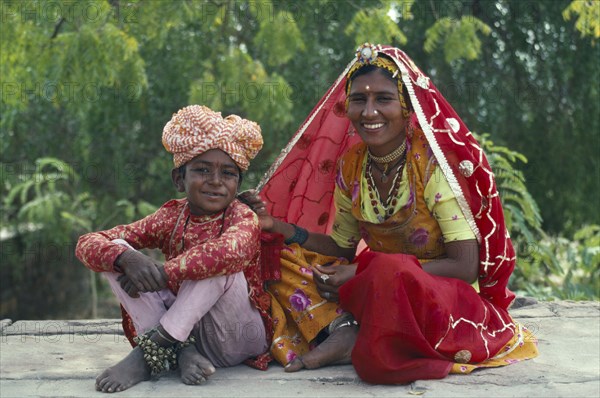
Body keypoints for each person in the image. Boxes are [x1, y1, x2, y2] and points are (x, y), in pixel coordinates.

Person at [241, 43, 538, 384]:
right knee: (275, 252)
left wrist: (365, 275)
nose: (369, 112)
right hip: (376, 288)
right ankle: (342, 331)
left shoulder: (431, 165)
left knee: (388, 267)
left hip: (435, 300)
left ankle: (362, 334)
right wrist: (277, 226)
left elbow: (465, 265)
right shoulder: (351, 166)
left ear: (407, 107)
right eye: (359, 100)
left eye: (383, 99)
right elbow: (341, 247)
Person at [75, 105, 271, 393]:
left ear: (237, 183)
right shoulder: (170, 216)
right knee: (116, 249)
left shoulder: (242, 216)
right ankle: (182, 353)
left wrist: (164, 272)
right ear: (179, 179)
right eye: (203, 170)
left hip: (237, 338)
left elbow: (231, 253)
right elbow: (87, 243)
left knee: (219, 266)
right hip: (190, 337)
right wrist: (126, 259)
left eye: (228, 174)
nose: (215, 181)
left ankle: (148, 354)